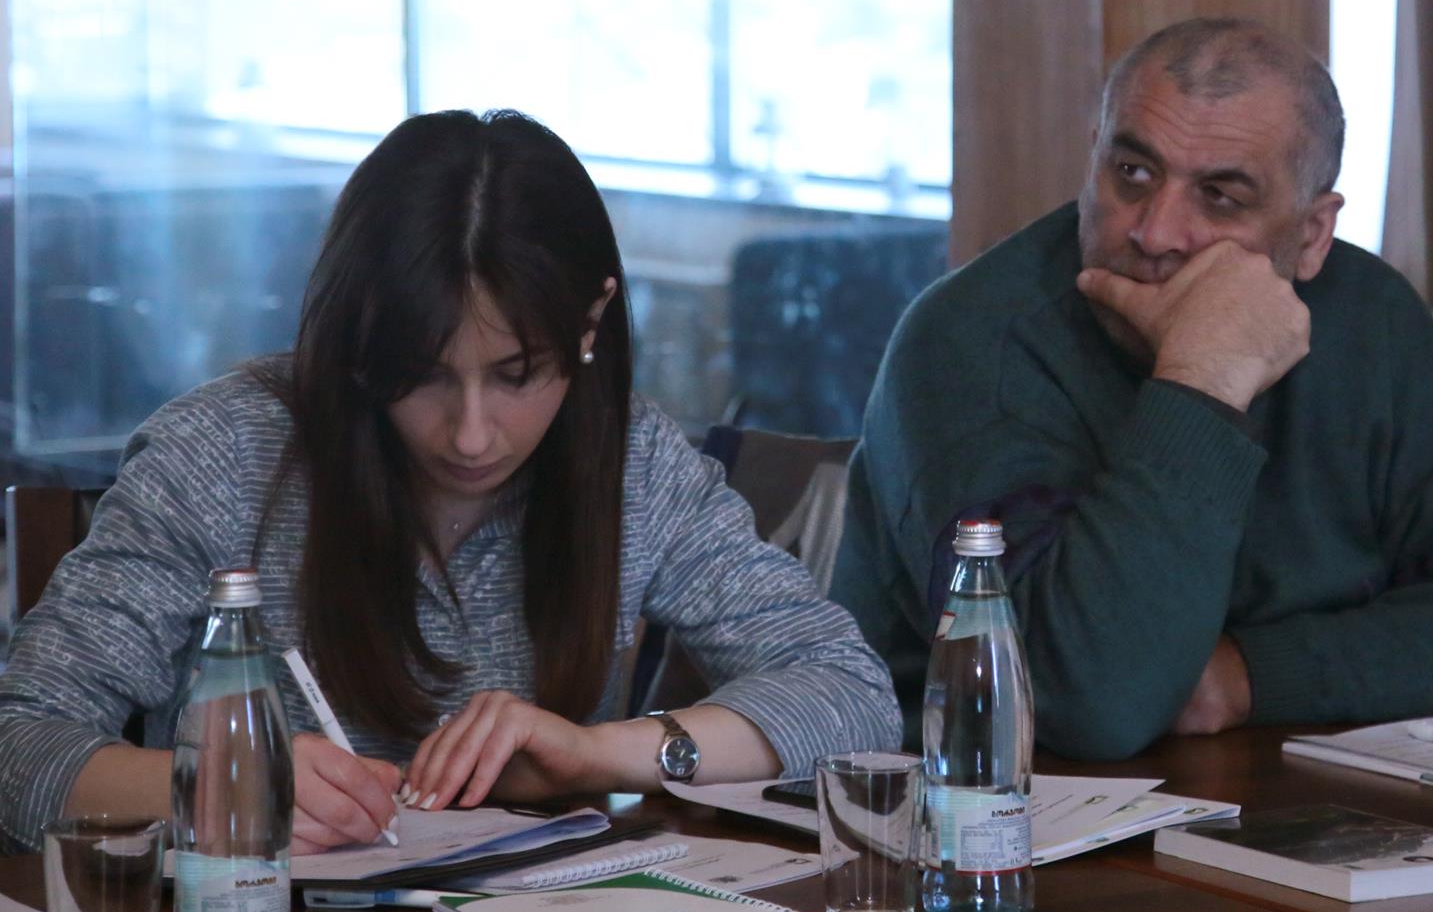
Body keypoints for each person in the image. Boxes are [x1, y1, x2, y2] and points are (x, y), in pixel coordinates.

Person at [0, 110, 899, 854]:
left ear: (591, 323)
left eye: (517, 374)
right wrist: (216, 784)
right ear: (359, 341)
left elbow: (852, 697)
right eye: (425, 375)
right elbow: (20, 744)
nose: (471, 435)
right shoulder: (223, 457)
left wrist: (598, 753)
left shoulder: (632, 463)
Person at [834, 18, 1433, 761]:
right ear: (1093, 159)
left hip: (1291, 790)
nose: (1155, 233)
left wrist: (1252, 675)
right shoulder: (967, 341)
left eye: (1220, 196)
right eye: (1132, 174)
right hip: (969, 803)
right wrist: (1202, 381)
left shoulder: (1371, 321)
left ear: (1313, 234)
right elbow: (1082, 701)